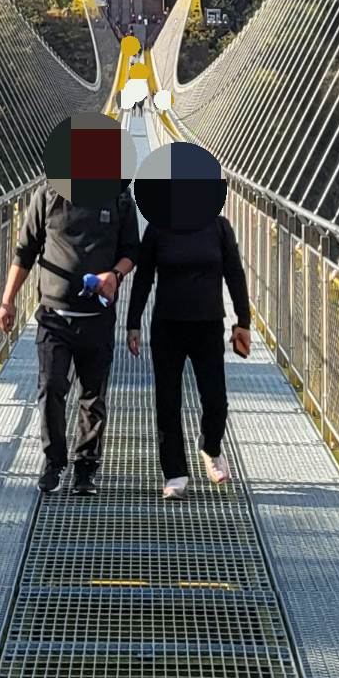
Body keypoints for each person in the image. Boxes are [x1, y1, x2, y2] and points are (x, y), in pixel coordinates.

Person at [0, 173, 139, 496]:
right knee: (51, 387)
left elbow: (132, 250)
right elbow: (25, 250)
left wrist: (116, 274)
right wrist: (8, 300)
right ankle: (53, 461)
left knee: (92, 396)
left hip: (97, 316)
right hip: (53, 315)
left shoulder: (119, 197)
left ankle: (86, 467)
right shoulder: (47, 194)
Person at [125, 198, 251, 500]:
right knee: (168, 403)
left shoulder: (219, 227)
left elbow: (234, 274)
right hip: (167, 326)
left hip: (208, 326)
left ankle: (211, 448)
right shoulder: (158, 229)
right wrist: (133, 323)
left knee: (216, 400)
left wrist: (242, 321)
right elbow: (143, 278)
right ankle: (175, 474)